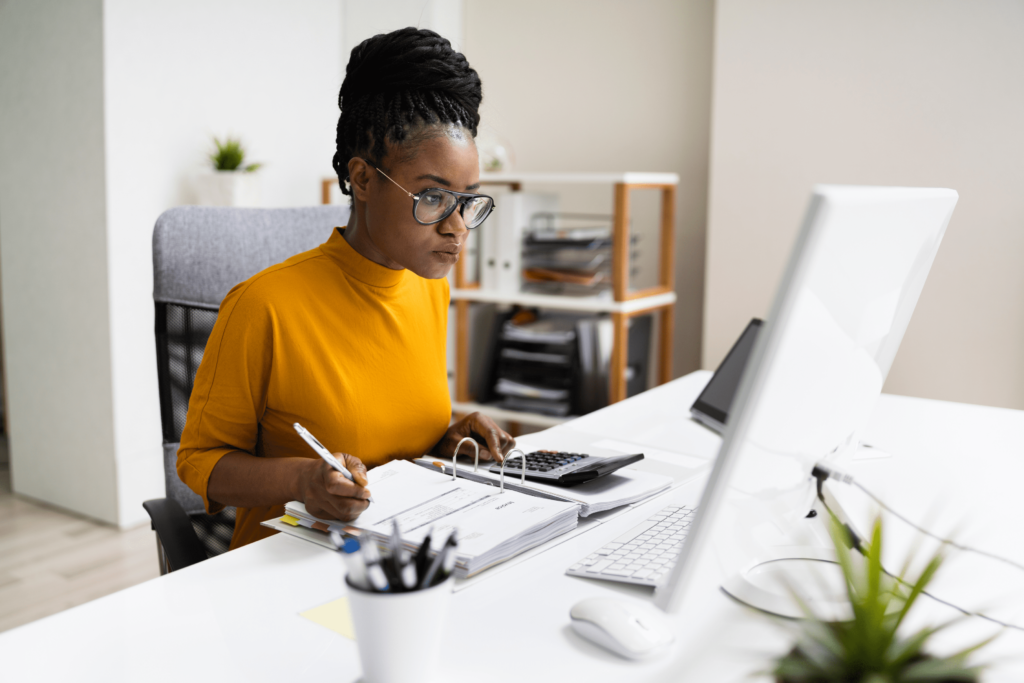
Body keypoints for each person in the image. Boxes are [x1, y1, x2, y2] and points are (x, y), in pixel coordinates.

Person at [177, 27, 514, 550]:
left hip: (398, 552)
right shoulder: (264, 305)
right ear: (362, 178)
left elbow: (392, 432)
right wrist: (301, 481)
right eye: (432, 198)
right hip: (286, 565)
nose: (458, 227)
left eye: (468, 200)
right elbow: (199, 463)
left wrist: (449, 437)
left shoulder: (429, 287)